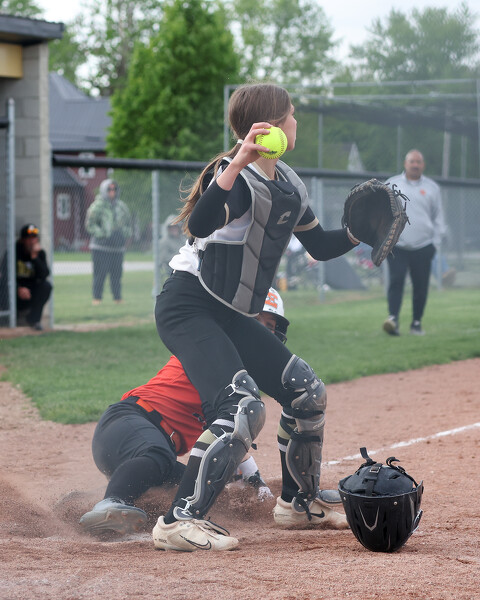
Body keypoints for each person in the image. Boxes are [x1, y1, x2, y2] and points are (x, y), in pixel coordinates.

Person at [152, 83, 358, 552]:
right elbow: (200, 223)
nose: (296, 121)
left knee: (306, 392)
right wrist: (238, 162)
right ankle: (178, 521)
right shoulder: (237, 179)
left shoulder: (286, 182)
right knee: (242, 406)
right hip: (189, 305)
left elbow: (320, 245)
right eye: (291, 114)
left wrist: (355, 233)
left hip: (228, 312)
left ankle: (298, 503)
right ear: (271, 126)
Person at [79, 289, 287, 536]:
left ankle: (79, 503)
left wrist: (248, 483)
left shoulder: (236, 372)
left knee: (200, 486)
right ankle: (110, 503)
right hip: (129, 422)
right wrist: (252, 477)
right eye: (255, 321)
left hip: (142, 449)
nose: (262, 330)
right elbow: (223, 424)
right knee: (161, 457)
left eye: (269, 326)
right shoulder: (210, 353)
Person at [383, 149, 446, 336]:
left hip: (423, 246)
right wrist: (385, 239)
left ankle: (416, 323)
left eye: (418, 162)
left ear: (423, 165)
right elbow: (382, 213)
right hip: (397, 246)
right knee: (396, 282)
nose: (415, 165)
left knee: (421, 286)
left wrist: (435, 242)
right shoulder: (392, 184)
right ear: (406, 164)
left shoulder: (432, 188)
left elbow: (438, 217)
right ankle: (393, 320)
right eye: (412, 161)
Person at [85, 179, 132, 306]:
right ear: (104, 190)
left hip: (117, 248)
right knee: (100, 275)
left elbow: (128, 225)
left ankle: (117, 298)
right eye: (109, 189)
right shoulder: (97, 206)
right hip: (101, 247)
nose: (112, 192)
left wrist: (123, 233)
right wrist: (103, 234)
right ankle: (97, 298)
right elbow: (90, 224)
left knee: (117, 275)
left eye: (114, 189)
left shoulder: (121, 207)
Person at [9, 224, 52, 330]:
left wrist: (34, 257)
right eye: (29, 238)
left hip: (31, 292)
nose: (33, 241)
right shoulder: (13, 252)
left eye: (35, 238)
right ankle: (9, 319)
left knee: (46, 286)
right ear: (22, 240)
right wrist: (18, 288)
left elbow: (45, 274)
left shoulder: (39, 253)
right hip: (15, 291)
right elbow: (5, 276)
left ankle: (33, 321)